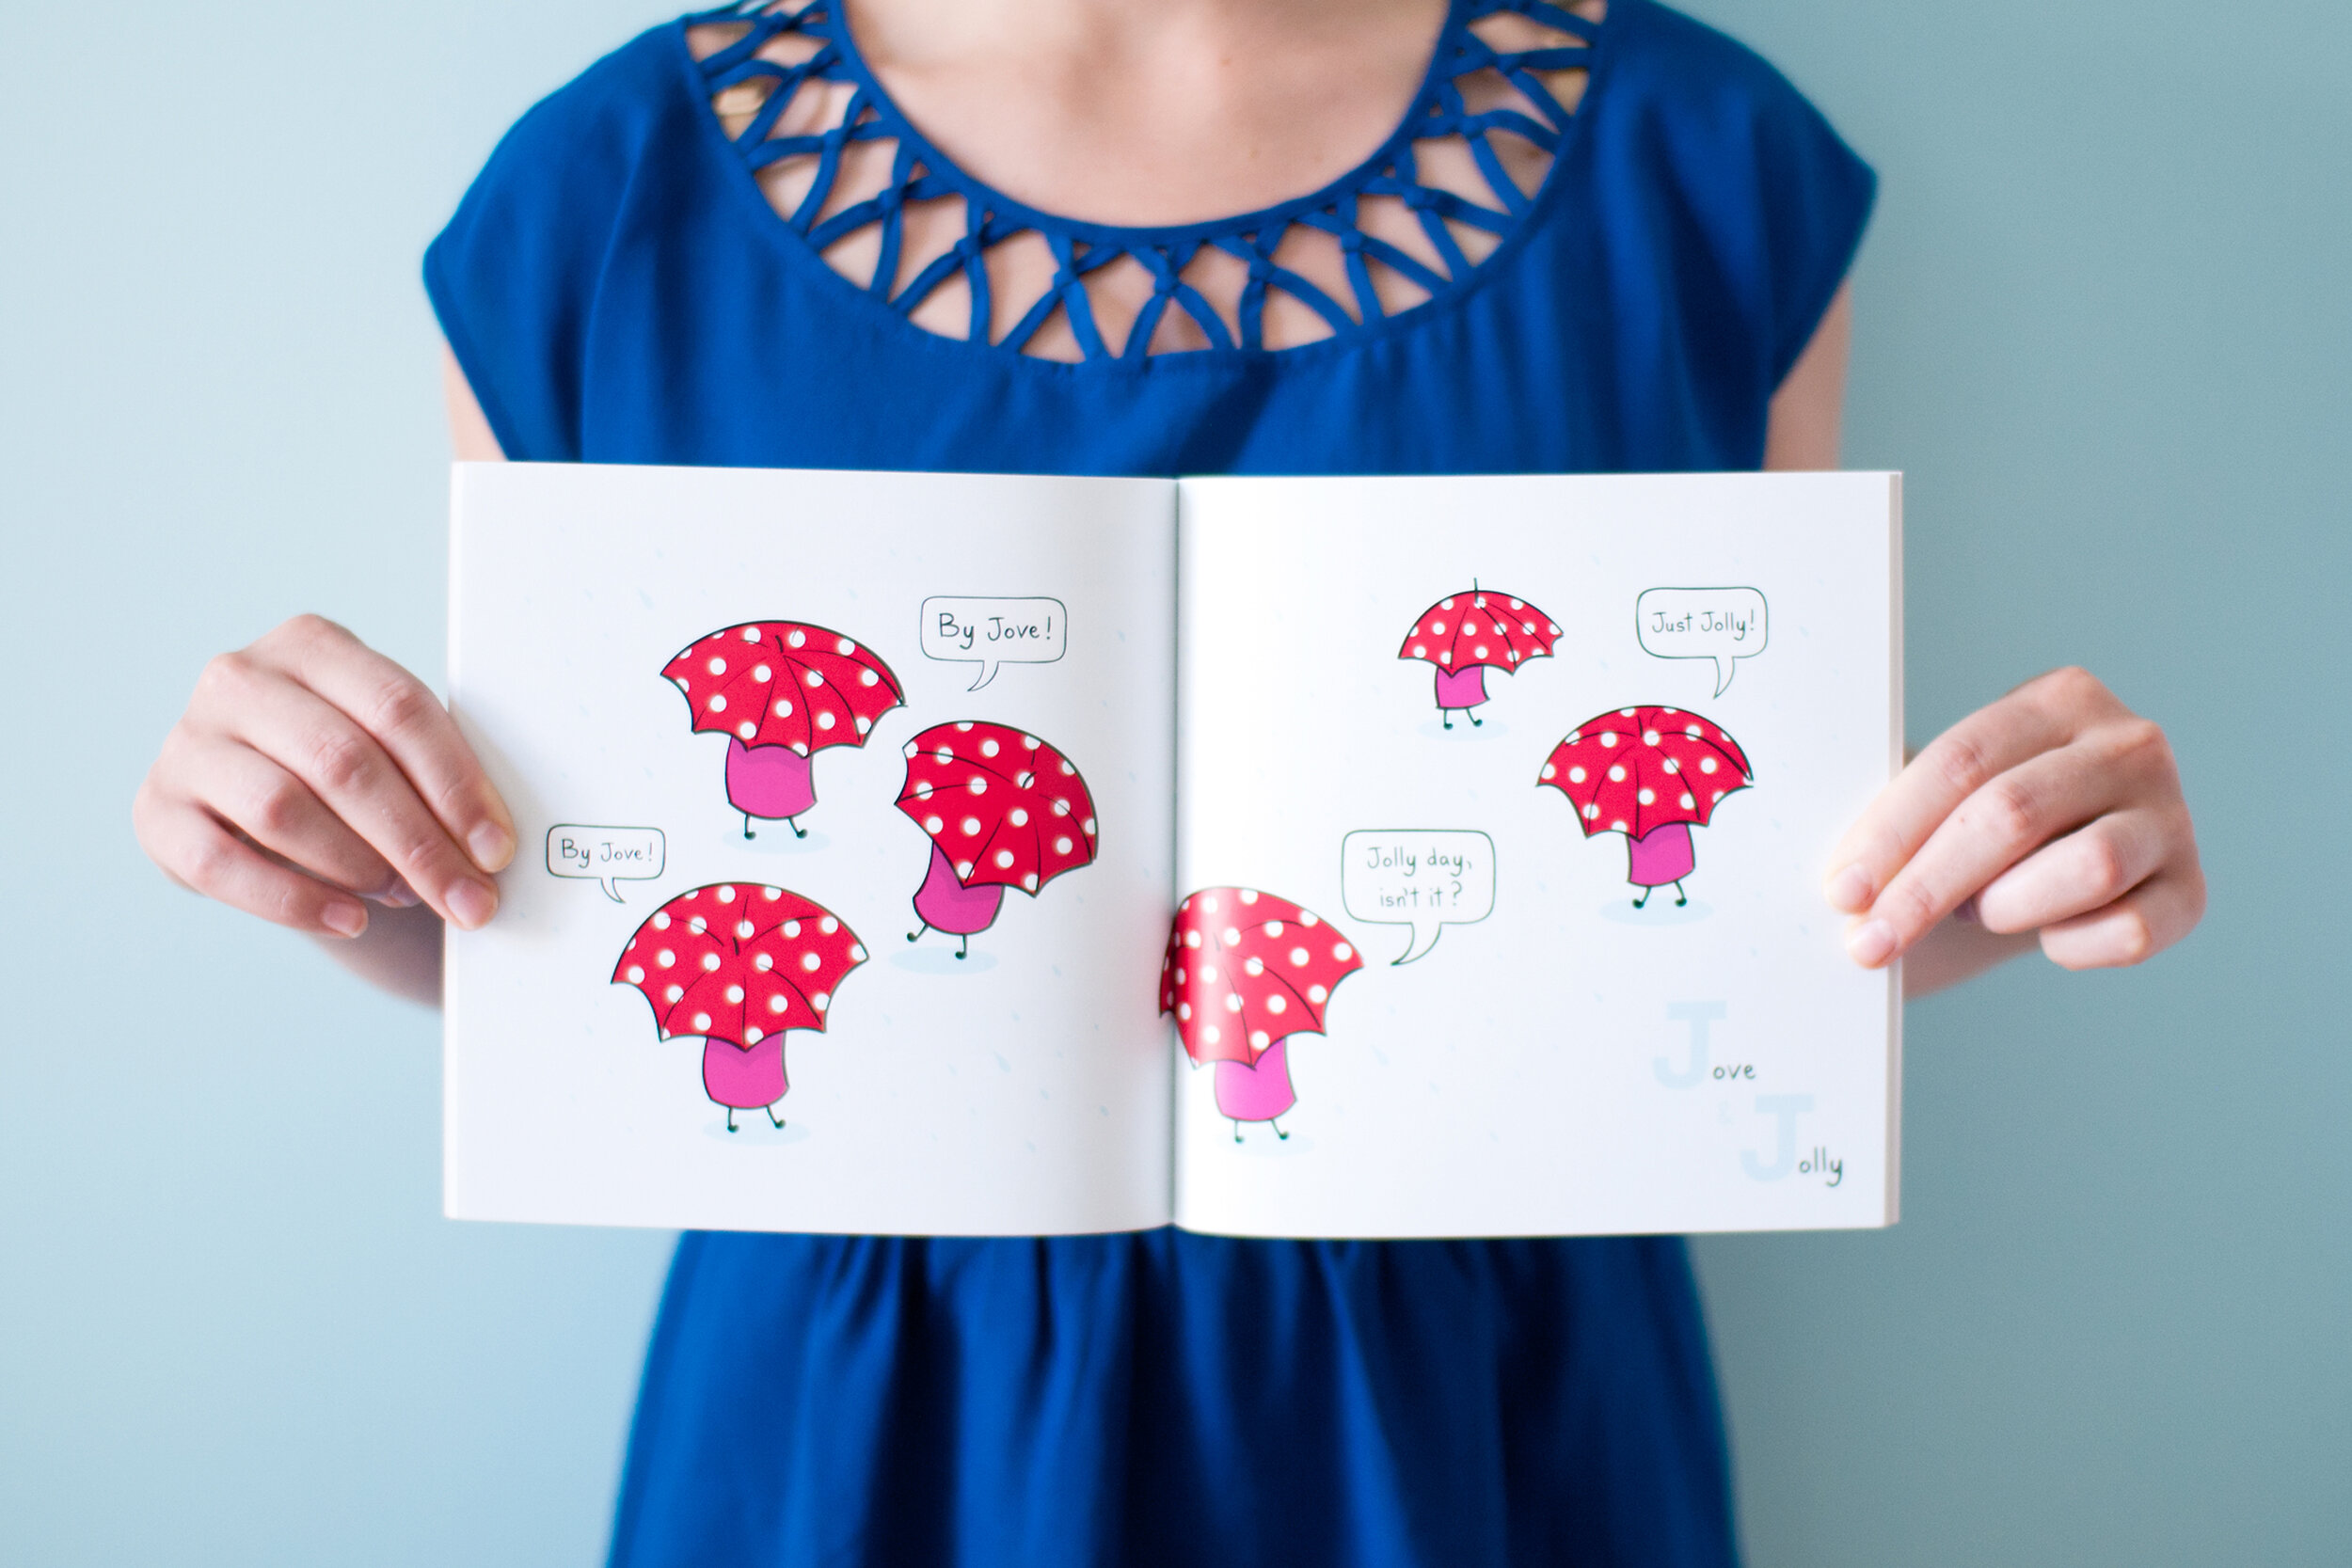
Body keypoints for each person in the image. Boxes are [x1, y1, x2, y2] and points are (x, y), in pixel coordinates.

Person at [130, 1, 2205, 1561]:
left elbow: (1741, 933)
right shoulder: (599, 199)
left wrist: (2016, 867)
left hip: (1491, 1396)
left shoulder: (1701, 168)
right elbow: (558, 941)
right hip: (853, 1407)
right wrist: (323, 847)